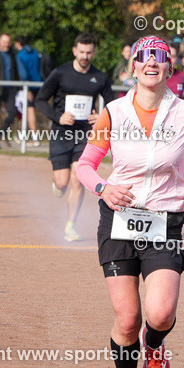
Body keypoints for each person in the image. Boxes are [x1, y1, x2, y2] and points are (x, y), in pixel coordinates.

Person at [74, 35, 184, 368]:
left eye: (160, 58)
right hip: (119, 221)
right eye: (144, 58)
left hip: (164, 220)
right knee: (127, 319)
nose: (151, 64)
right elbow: (85, 166)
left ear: (170, 68)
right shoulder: (114, 113)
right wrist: (104, 189)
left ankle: (153, 347)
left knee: (159, 314)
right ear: (133, 67)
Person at [34, 32, 115, 242]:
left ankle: (71, 225)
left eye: (89, 52)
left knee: (78, 179)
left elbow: (112, 105)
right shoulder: (60, 74)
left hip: (85, 135)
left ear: (94, 53)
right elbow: (40, 100)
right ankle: (58, 186)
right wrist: (58, 117)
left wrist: (101, 117)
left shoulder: (100, 77)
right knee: (63, 182)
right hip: (61, 133)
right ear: (74, 51)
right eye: (81, 52)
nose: (85, 56)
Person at [14, 35, 42, 144]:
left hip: (28, 85)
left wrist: (27, 88)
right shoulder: (36, 53)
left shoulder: (20, 55)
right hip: (38, 83)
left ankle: (34, 136)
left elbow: (24, 74)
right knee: (27, 110)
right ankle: (23, 134)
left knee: (29, 110)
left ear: (18, 43)